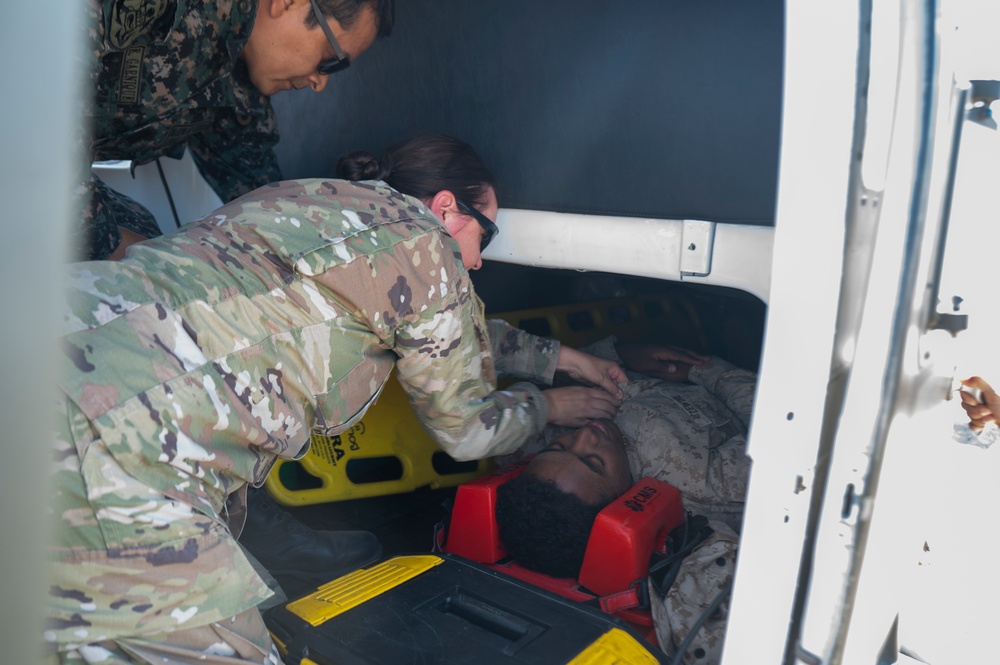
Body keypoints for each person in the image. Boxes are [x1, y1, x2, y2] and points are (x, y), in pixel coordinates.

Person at [48, 133, 627, 664]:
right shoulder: (428, 249)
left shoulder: (306, 196)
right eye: (485, 235)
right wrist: (550, 407)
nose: (477, 261)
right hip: (122, 450)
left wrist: (562, 360)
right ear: (448, 209)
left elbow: (438, 333)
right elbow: (467, 429)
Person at [495, 336, 757, 665]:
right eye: (594, 462)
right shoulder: (705, 485)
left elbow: (535, 371)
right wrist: (701, 370)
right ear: (619, 504)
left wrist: (621, 354)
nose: (587, 434)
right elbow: (779, 419)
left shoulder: (531, 450)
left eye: (558, 447)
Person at [77, 0, 395, 262]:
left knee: (142, 237)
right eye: (329, 60)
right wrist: (118, 252)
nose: (319, 82)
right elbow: (37, 91)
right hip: (32, 129)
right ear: (289, 4)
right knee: (122, 248)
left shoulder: (241, 81)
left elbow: (268, 209)